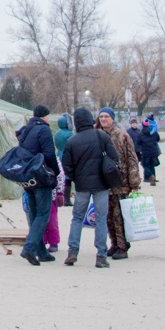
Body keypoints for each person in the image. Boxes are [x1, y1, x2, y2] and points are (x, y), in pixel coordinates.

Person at [61, 107, 118, 268]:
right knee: (101, 219)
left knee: (77, 218)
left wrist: (75, 178)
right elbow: (115, 158)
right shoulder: (102, 136)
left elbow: (67, 165)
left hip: (81, 185)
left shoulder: (72, 141)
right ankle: (101, 255)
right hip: (102, 184)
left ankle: (72, 251)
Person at [15, 103, 60, 266]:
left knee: (34, 214)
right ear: (45, 116)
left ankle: (41, 251)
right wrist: (55, 172)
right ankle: (29, 247)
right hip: (41, 176)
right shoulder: (44, 129)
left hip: (28, 176)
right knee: (43, 214)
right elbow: (49, 154)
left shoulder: (26, 130)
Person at [97, 107, 141, 260]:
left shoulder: (122, 135)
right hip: (105, 182)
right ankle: (114, 243)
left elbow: (131, 158)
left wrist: (134, 181)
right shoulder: (99, 134)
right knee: (108, 215)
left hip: (121, 181)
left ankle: (123, 246)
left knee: (119, 215)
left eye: (106, 116)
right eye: (101, 116)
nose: (103, 119)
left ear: (112, 118)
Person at [54, 113, 74, 205]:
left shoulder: (57, 134)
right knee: (68, 178)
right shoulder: (70, 134)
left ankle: (60, 196)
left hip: (59, 154)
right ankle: (67, 199)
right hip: (68, 155)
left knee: (61, 176)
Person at [138, 118, 162, 186]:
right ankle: (153, 180)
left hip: (145, 152)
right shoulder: (153, 131)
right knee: (152, 165)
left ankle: (151, 176)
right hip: (154, 151)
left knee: (145, 165)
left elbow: (138, 142)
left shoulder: (141, 133)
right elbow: (158, 138)